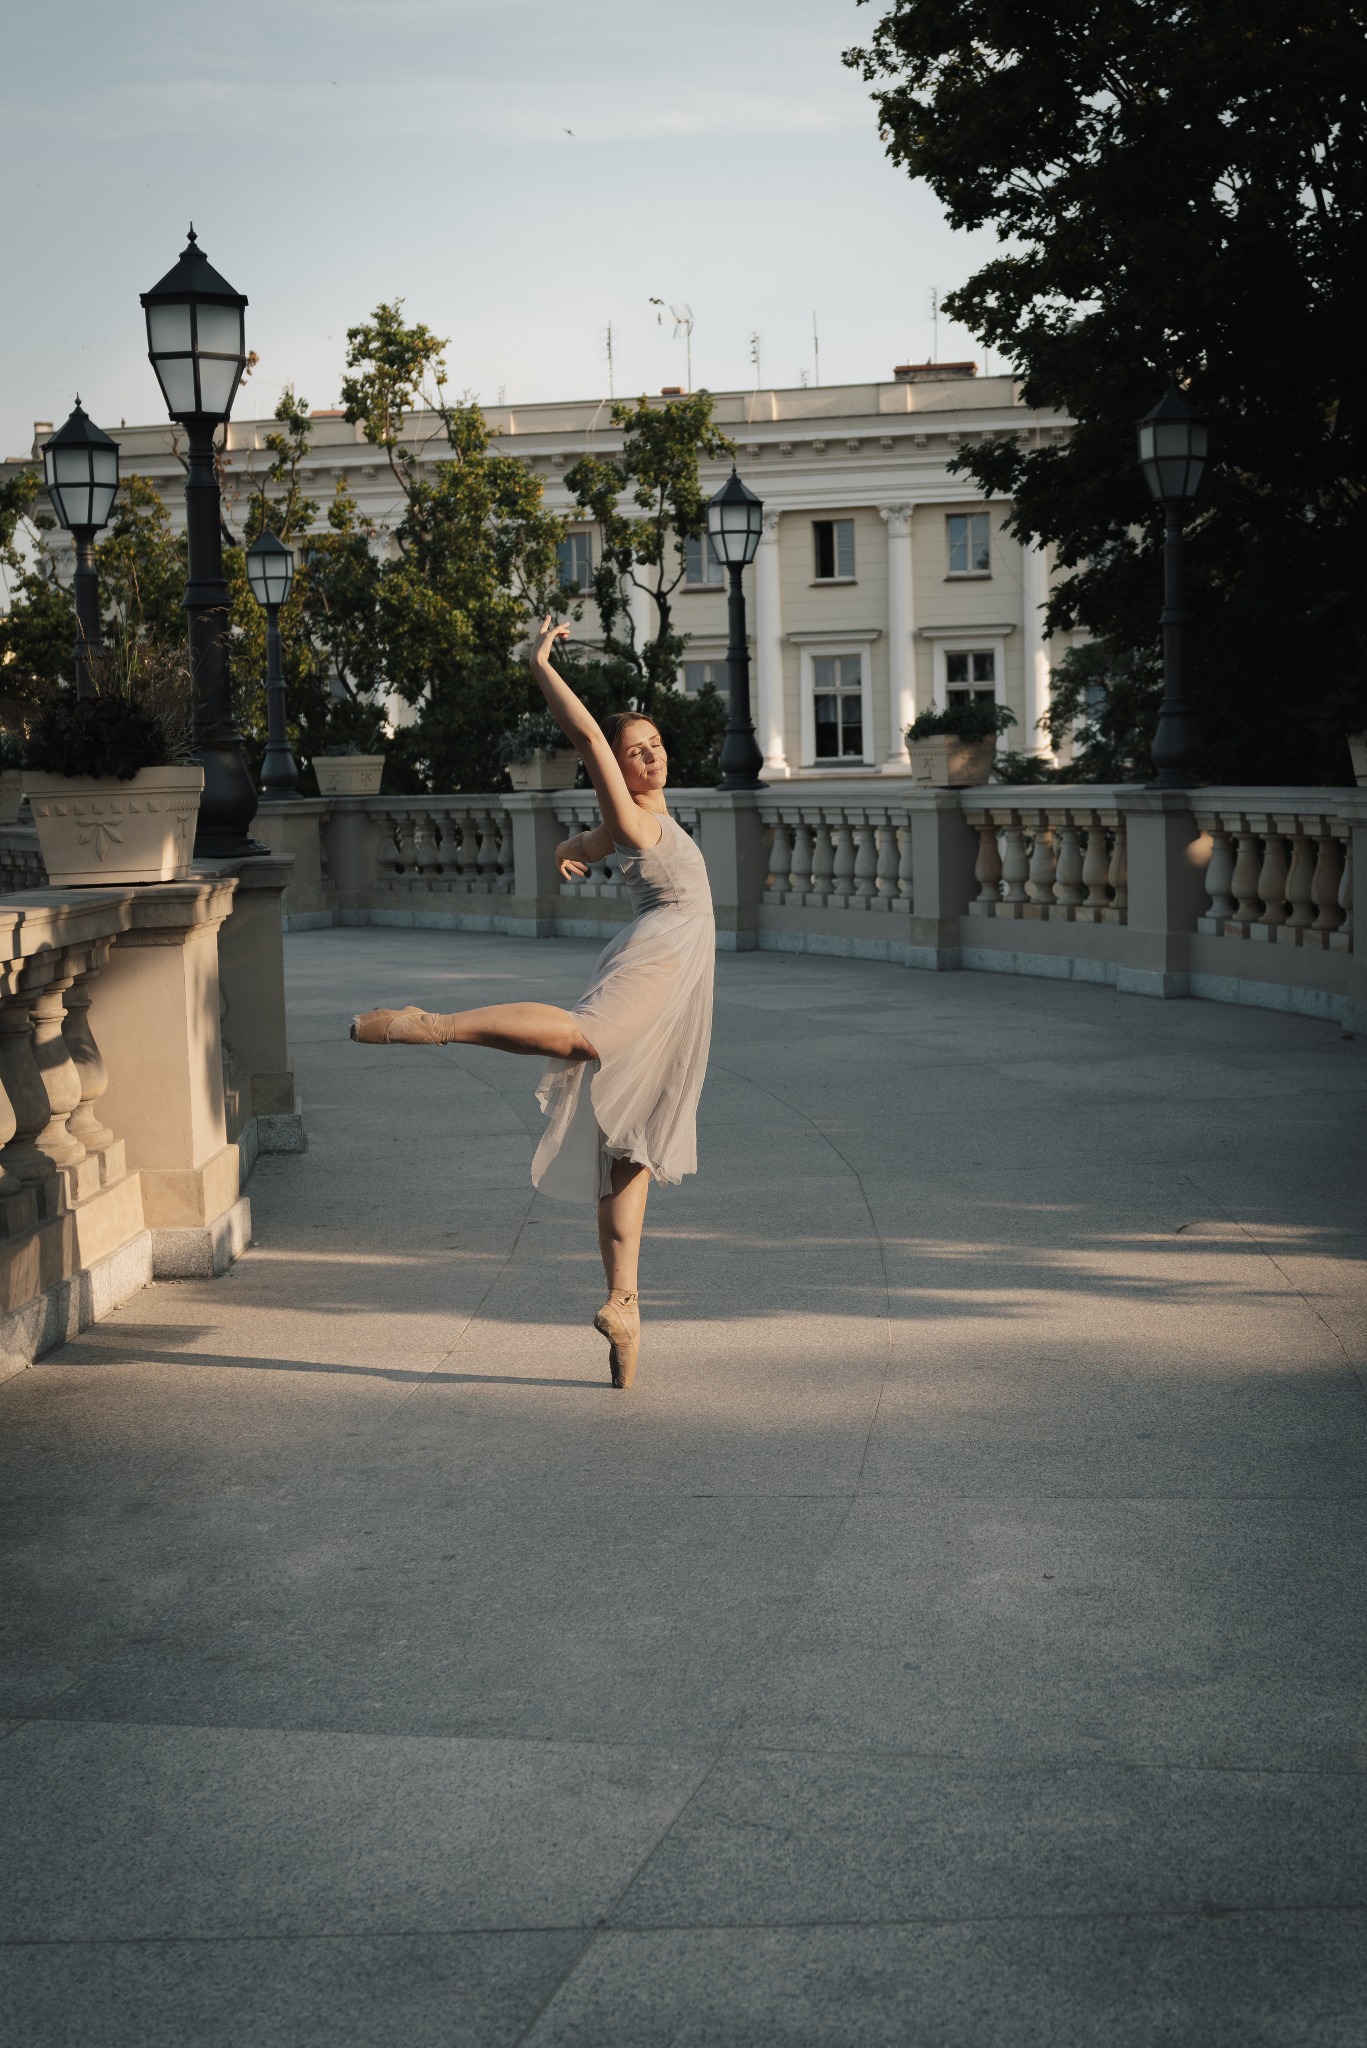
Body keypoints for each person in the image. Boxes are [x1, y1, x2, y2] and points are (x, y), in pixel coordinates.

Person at [351, 617, 715, 1390]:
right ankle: (433, 1025)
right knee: (585, 1039)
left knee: (631, 1147)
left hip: (682, 978)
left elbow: (583, 845)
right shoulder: (633, 817)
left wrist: (566, 854)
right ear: (614, 766)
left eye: (654, 744)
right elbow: (584, 738)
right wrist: (541, 664)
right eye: (633, 751)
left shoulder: (638, 823)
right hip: (659, 960)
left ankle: (624, 1306)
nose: (649, 755)